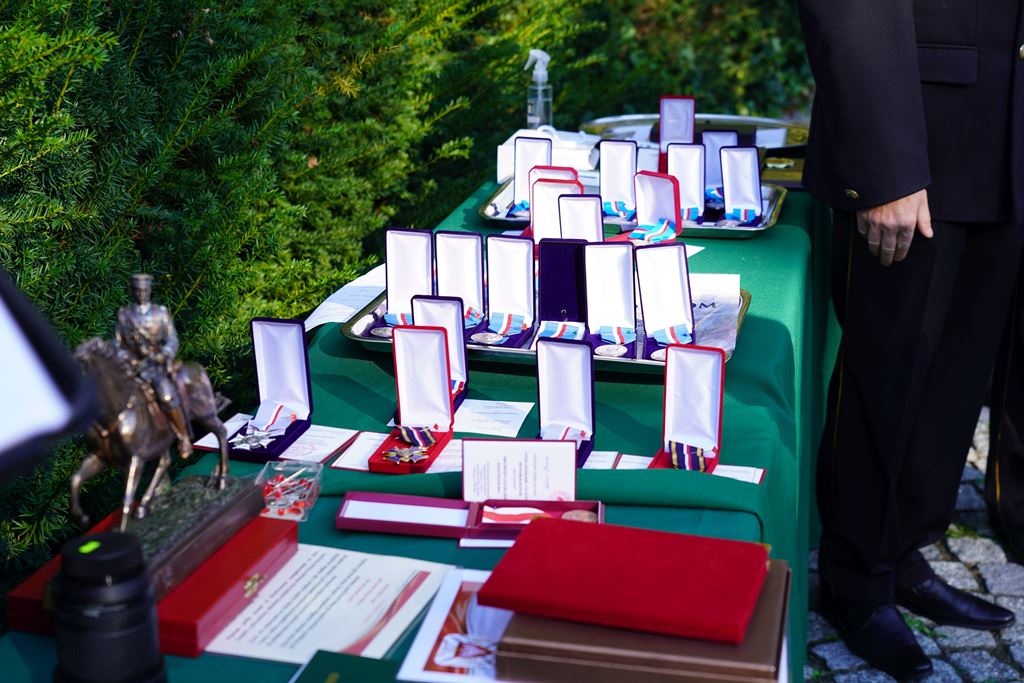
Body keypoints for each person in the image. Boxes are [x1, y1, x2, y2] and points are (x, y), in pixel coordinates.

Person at [797, 0, 1024, 678]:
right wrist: (884, 164)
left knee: (957, 375)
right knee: (887, 371)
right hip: (916, 141)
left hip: (1004, 132)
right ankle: (855, 580)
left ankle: (902, 551)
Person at [114, 273, 192, 460]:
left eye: (145, 290)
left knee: (167, 397)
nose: (141, 294)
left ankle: (183, 437)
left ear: (149, 290)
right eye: (137, 291)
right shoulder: (125, 315)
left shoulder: (160, 313)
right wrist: (129, 359)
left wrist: (163, 354)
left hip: (155, 367)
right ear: (132, 292)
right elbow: (117, 344)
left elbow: (172, 340)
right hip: (133, 368)